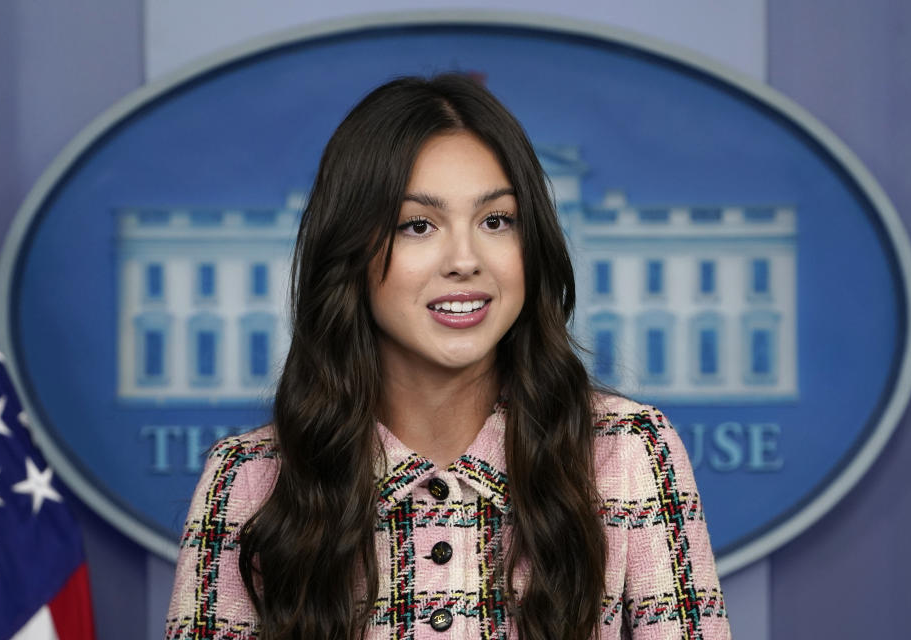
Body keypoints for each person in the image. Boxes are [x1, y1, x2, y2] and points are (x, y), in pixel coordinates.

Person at [165, 74, 730, 640]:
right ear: (349, 252)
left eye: (495, 221)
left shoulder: (628, 452)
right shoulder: (245, 480)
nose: (465, 259)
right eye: (418, 225)